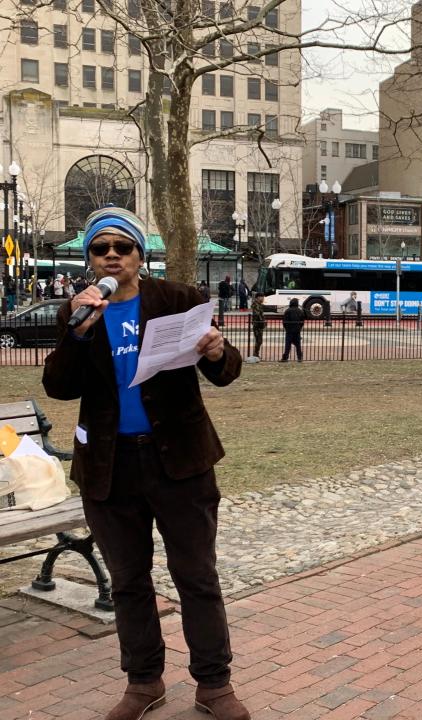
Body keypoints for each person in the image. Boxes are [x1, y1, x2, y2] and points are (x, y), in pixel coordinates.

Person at [41, 206, 250, 720]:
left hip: (179, 461)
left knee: (196, 575)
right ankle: (143, 681)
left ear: (140, 254)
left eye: (122, 247)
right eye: (100, 249)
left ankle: (214, 684)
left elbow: (226, 373)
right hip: (110, 467)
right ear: (90, 259)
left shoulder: (180, 300)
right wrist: (80, 333)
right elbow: (59, 388)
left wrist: (218, 350)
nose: (111, 257)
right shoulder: (78, 311)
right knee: (129, 580)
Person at [280, 297, 305, 362]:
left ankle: (285, 357)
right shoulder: (300, 311)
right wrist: (299, 328)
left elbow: (284, 322)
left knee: (287, 345)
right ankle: (299, 357)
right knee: (298, 345)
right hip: (297, 330)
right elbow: (302, 321)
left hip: (289, 330)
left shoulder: (287, 311)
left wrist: (287, 328)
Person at [251, 292, 266, 358]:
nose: (263, 298)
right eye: (262, 297)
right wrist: (262, 321)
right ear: (258, 297)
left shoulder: (259, 304)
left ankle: (256, 353)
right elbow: (257, 314)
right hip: (257, 325)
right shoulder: (256, 304)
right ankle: (255, 354)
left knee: (259, 340)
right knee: (259, 340)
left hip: (259, 324)